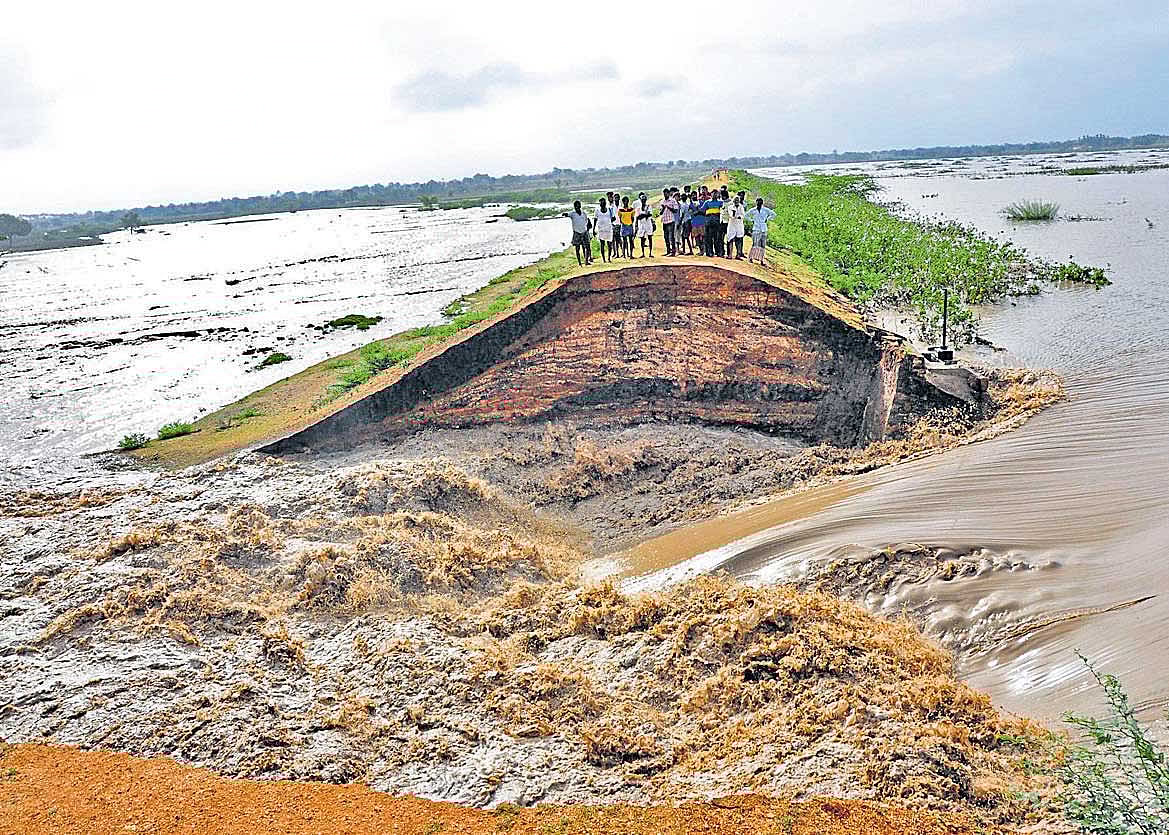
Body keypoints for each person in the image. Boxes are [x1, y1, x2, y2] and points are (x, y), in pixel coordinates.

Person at [745, 197, 776, 265]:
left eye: (760, 202)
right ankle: (751, 258)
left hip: (763, 229)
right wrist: (751, 220)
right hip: (756, 229)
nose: (759, 203)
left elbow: (774, 214)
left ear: (762, 203)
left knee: (762, 245)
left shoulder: (765, 210)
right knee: (755, 244)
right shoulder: (753, 210)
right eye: (757, 202)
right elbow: (746, 215)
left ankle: (761, 260)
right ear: (756, 202)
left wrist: (767, 219)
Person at [567, 200, 592, 266]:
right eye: (576, 206)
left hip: (584, 232)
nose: (577, 207)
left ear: (580, 206)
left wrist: (588, 228)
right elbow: (567, 214)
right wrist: (565, 214)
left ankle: (586, 261)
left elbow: (586, 221)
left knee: (587, 247)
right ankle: (580, 263)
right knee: (577, 248)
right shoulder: (572, 213)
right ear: (574, 207)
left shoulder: (584, 213)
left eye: (578, 205)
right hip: (577, 232)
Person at [725, 193, 746, 259]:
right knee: (730, 239)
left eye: (738, 200)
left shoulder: (741, 207)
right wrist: (734, 213)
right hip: (732, 225)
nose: (736, 201)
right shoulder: (730, 207)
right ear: (733, 201)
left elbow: (743, 215)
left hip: (739, 225)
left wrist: (739, 216)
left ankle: (738, 255)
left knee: (739, 239)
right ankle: (730, 255)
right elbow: (731, 215)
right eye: (735, 200)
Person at [703, 188, 723, 256]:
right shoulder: (707, 202)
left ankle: (718, 252)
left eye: (716, 193)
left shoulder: (720, 202)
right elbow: (702, 210)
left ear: (718, 194)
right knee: (708, 238)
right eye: (713, 193)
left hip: (717, 222)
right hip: (708, 222)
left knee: (717, 238)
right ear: (710, 194)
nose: (714, 194)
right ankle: (709, 252)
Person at [659, 187, 679, 256]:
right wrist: (663, 208)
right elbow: (660, 213)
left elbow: (676, 210)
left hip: (671, 220)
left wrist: (669, 207)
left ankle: (673, 251)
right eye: (664, 193)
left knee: (671, 237)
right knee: (666, 237)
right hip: (664, 220)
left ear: (668, 193)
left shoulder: (673, 201)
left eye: (666, 193)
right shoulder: (662, 201)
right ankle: (668, 251)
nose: (665, 194)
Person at [594, 197, 614, 263]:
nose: (602, 204)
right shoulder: (597, 210)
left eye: (603, 202)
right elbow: (595, 219)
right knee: (602, 244)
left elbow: (612, 218)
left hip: (608, 229)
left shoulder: (609, 209)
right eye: (601, 203)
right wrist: (594, 229)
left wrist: (610, 221)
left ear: (605, 203)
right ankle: (604, 259)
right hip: (601, 229)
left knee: (609, 245)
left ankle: (608, 258)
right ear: (599, 204)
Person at [635, 192, 654, 257]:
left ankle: (650, 253)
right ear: (640, 200)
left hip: (648, 224)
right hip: (642, 225)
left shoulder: (649, 206)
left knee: (650, 238)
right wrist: (645, 215)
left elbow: (650, 214)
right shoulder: (638, 208)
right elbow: (638, 217)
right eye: (642, 199)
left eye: (644, 199)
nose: (643, 200)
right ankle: (643, 253)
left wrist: (642, 215)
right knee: (642, 239)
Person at [691, 187, 708, 255]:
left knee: (703, 237)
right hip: (694, 223)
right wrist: (697, 212)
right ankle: (701, 250)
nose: (694, 196)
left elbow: (704, 212)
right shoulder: (691, 204)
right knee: (697, 237)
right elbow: (691, 213)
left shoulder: (702, 202)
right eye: (693, 195)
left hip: (702, 222)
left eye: (695, 195)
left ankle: (704, 250)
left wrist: (697, 212)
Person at [677, 189, 694, 255]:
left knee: (685, 236)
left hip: (685, 221)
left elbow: (682, 214)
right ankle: (685, 250)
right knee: (684, 236)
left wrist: (679, 223)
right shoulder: (687, 204)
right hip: (688, 221)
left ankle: (690, 250)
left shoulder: (683, 205)